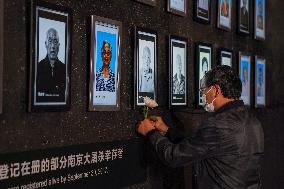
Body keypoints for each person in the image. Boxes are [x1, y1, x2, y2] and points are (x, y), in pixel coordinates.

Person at [137, 65, 264, 189]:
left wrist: (150, 133)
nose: (203, 95)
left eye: (203, 90)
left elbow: (173, 156)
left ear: (216, 90)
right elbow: (205, 145)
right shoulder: (253, 121)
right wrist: (167, 130)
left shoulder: (218, 125)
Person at [36, 28, 66, 102]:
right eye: (50, 41)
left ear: (59, 46)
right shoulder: (38, 67)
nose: (52, 46)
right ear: (45, 44)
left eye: (55, 42)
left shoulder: (65, 69)